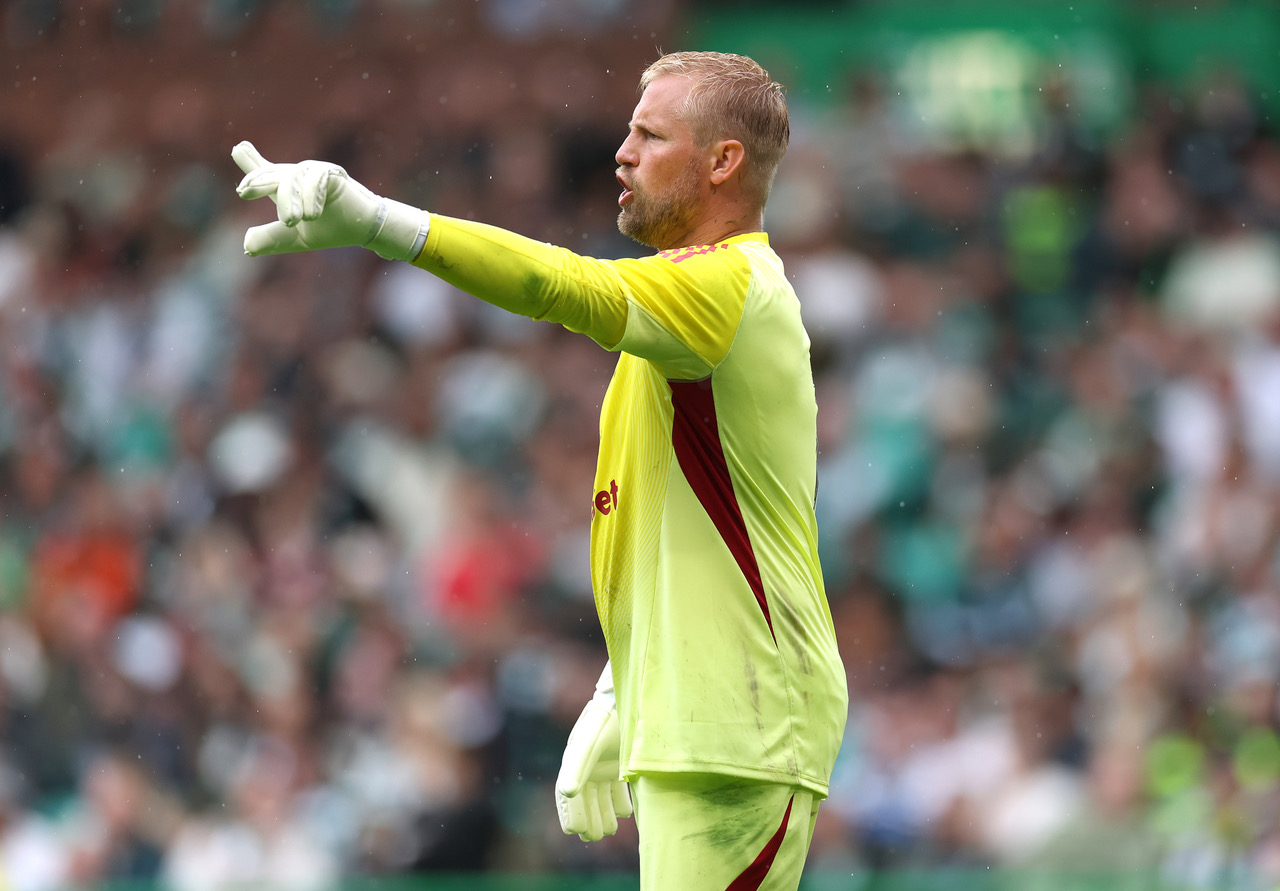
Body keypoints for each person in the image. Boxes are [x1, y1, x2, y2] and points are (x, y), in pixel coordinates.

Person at [232, 50, 847, 890]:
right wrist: (623, 689)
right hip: (706, 719)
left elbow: (560, 285)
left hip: (742, 727)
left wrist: (379, 220)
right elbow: (673, 535)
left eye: (650, 134)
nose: (622, 153)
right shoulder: (687, 314)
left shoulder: (729, 285)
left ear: (723, 162)